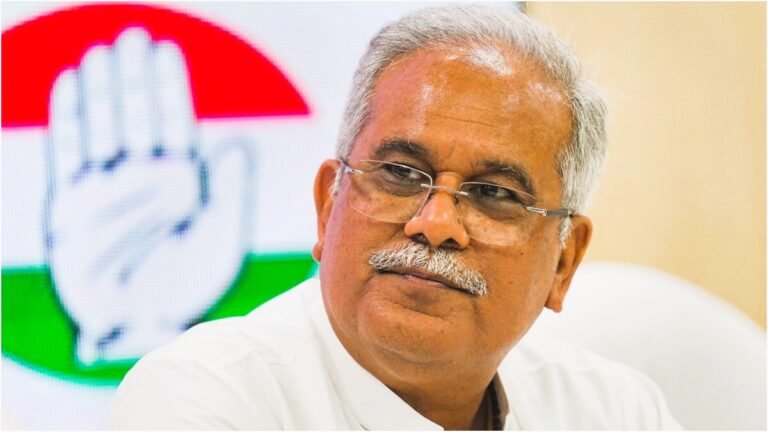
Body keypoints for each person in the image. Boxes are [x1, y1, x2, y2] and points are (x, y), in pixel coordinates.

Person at [110, 5, 681, 430]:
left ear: (563, 261)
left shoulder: (612, 411)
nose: (436, 223)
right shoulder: (205, 398)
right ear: (329, 205)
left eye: (493, 193)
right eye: (402, 174)